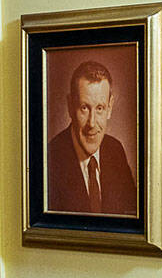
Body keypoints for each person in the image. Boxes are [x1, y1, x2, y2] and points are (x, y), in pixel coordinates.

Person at [46, 60, 138, 215]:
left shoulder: (116, 151)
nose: (92, 123)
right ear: (70, 106)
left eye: (100, 108)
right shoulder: (50, 160)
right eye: (84, 108)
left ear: (110, 108)